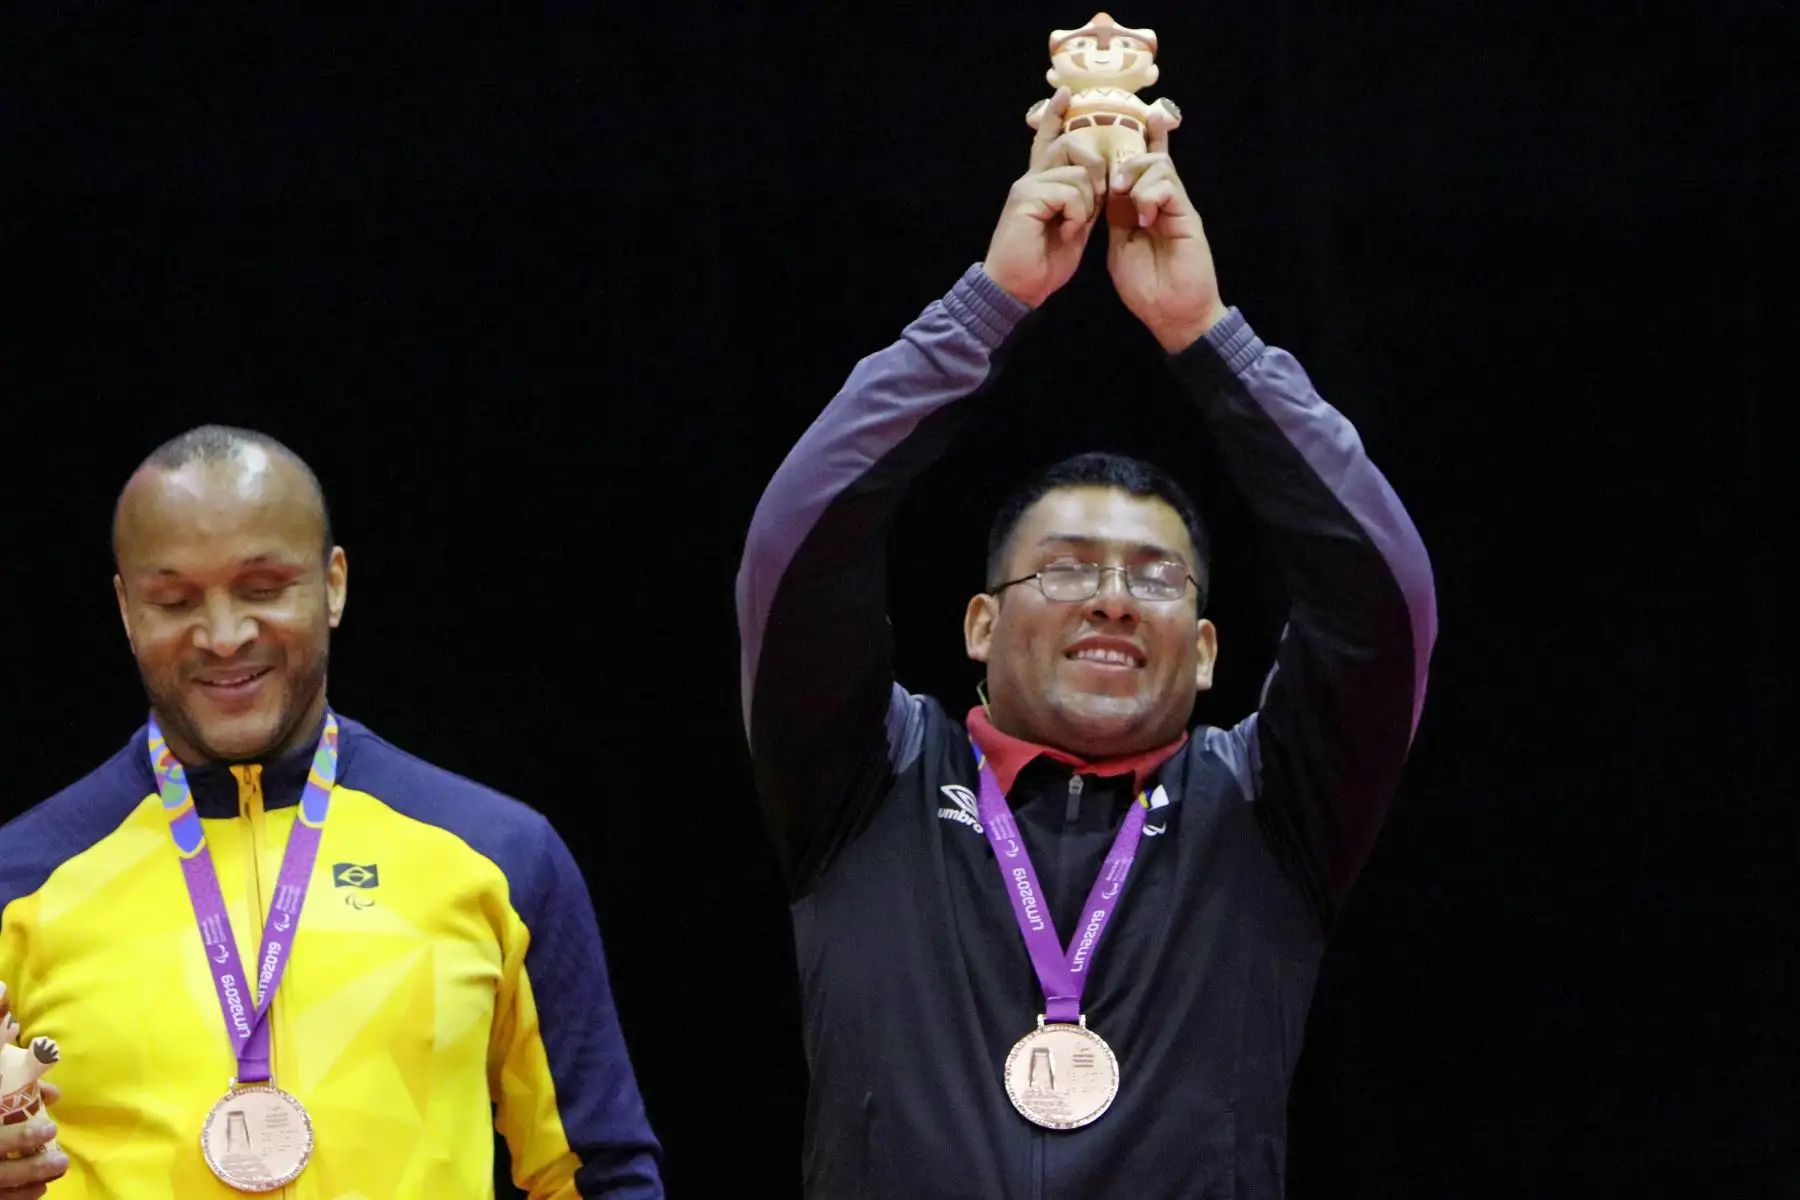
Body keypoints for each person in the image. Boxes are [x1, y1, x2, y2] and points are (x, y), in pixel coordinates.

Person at [735, 87, 1437, 1198]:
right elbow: (802, 542)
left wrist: (1208, 338)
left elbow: (1382, 599)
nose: (1113, 600)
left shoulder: (1270, 805)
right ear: (979, 625)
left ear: (1206, 651)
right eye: (1065, 568)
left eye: (1156, 581)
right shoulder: (868, 780)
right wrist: (991, 304)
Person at [0, 427, 663, 1199]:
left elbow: (598, 1176)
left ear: (334, 583)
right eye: (175, 600)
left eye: (262, 588)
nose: (223, 636)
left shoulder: (499, 856)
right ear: (124, 609)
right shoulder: (20, 882)